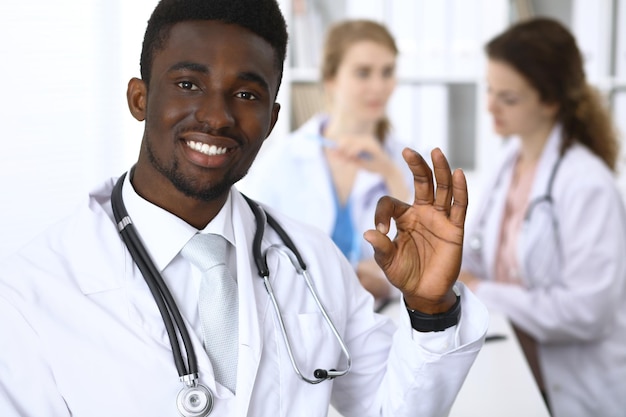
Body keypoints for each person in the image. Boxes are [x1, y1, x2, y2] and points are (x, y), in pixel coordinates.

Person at [0, 1, 488, 416]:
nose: (217, 116)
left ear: (273, 118)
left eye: (247, 94)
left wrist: (430, 311)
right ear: (139, 97)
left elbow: (390, 408)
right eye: (189, 84)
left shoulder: (313, 262)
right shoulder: (32, 292)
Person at [459, 17, 626, 417]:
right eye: (489, 90)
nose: (489, 107)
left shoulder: (587, 183)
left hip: (578, 389)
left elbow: (586, 313)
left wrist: (480, 289)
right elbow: (480, 259)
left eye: (509, 98)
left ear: (551, 100)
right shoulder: (508, 163)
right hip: (516, 366)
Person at [239, 19, 412, 307]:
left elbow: (423, 263)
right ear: (331, 78)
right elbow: (249, 254)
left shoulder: (404, 161)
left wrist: (390, 174)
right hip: (299, 320)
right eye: (363, 73)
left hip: (382, 319)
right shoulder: (282, 160)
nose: (379, 86)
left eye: (387, 72)